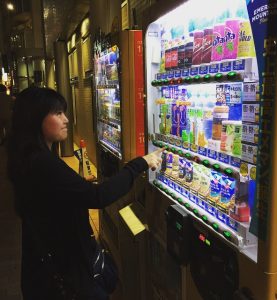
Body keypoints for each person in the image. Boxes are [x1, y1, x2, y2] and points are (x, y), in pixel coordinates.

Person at [6, 87, 163, 300]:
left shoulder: (28, 158)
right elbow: (97, 196)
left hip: (47, 269)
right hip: (65, 276)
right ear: (36, 119)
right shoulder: (42, 163)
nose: (66, 120)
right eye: (58, 113)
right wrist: (140, 164)